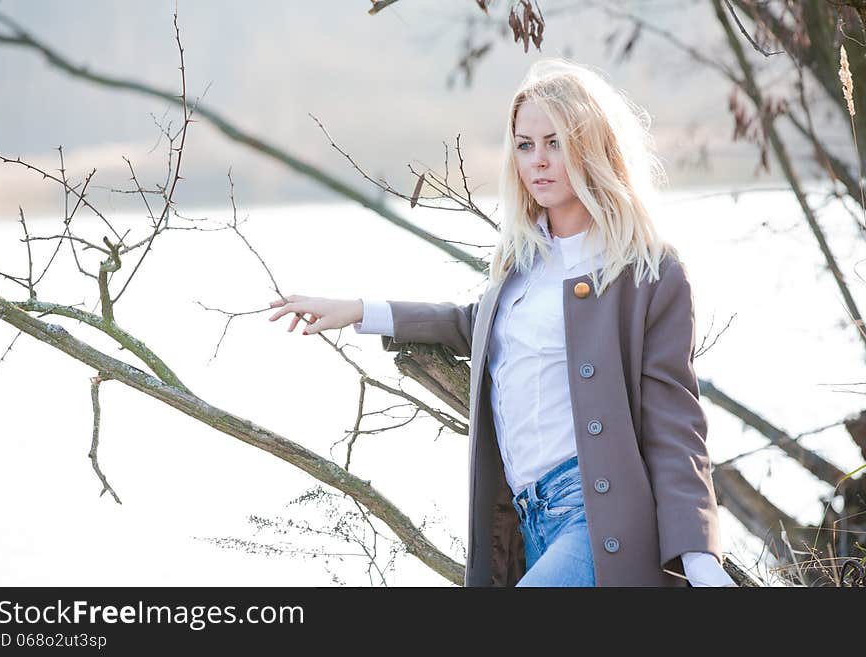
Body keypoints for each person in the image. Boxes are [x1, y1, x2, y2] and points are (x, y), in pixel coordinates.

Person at [267, 58, 737, 587]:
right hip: (526, 522)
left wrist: (699, 558)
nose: (538, 161)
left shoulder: (647, 272)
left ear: (594, 146)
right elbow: (478, 327)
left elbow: (676, 426)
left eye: (555, 142)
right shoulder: (523, 266)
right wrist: (364, 311)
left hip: (598, 519)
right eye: (524, 144)